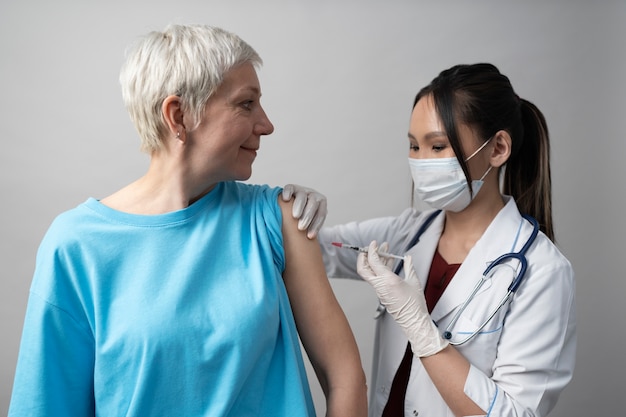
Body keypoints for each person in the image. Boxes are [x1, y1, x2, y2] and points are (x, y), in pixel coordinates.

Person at [8, 24, 367, 417]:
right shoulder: (76, 245)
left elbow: (344, 376)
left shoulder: (276, 221)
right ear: (178, 115)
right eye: (246, 104)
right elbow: (46, 406)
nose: (266, 124)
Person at [285, 63, 576, 416]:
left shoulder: (542, 272)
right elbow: (317, 250)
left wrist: (423, 331)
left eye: (437, 146)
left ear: (498, 148)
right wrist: (289, 211)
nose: (421, 162)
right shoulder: (409, 233)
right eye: (413, 146)